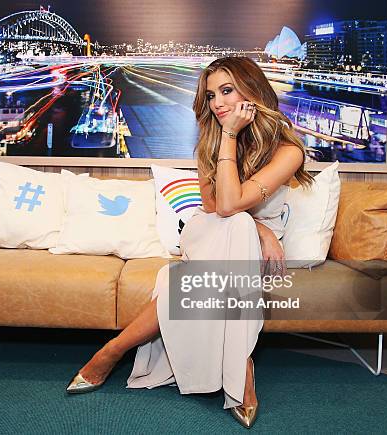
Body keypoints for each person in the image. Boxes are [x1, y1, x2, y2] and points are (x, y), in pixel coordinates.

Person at [65, 56, 313, 429]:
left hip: (244, 241)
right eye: (212, 95)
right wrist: (228, 137)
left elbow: (233, 207)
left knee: (233, 237)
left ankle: (112, 350)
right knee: (240, 227)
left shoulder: (288, 150)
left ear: (253, 90)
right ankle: (241, 367)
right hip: (212, 229)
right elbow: (218, 207)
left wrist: (256, 227)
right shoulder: (213, 138)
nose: (218, 103)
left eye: (227, 90)